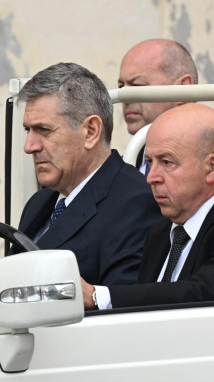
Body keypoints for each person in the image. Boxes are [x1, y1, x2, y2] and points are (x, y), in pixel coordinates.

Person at [83, 103, 214, 310]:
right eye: (149, 162)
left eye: (166, 162)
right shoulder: (160, 233)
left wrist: (97, 296)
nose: (151, 177)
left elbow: (201, 296)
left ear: (211, 168)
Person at [16, 62, 164, 285]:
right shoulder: (39, 202)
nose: (30, 146)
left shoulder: (136, 202)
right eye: (29, 130)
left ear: (91, 132)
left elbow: (122, 308)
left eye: (44, 130)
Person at [118, 39, 214, 197]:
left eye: (138, 85)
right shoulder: (123, 166)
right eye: (121, 87)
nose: (125, 97)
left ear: (183, 88)